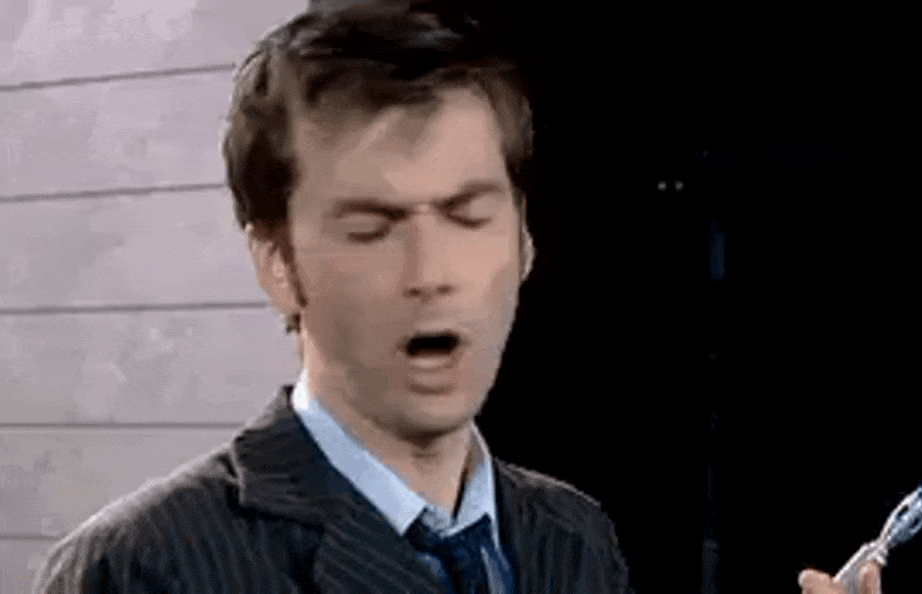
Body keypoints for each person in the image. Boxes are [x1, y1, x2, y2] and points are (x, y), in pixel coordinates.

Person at [32, 2, 633, 592]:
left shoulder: (574, 536)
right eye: (371, 229)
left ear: (523, 240)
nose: (431, 273)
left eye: (468, 216)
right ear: (279, 266)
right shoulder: (144, 566)